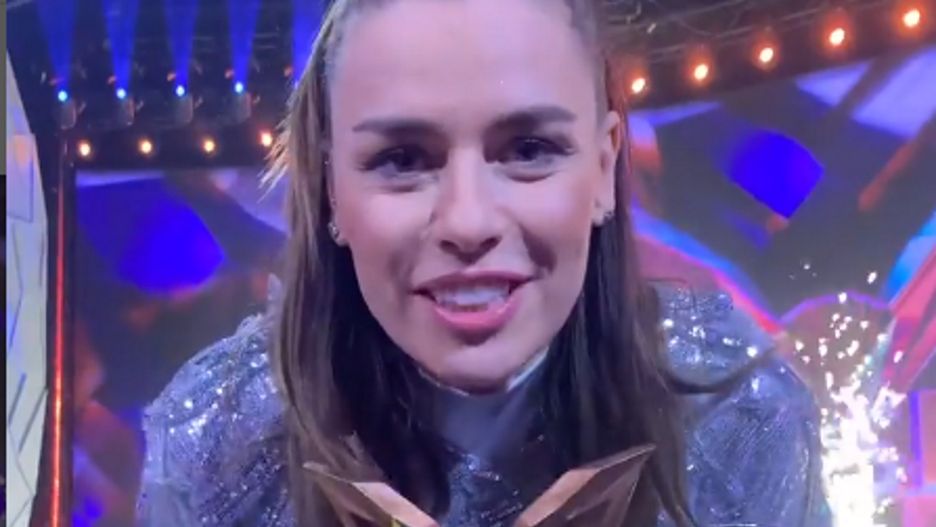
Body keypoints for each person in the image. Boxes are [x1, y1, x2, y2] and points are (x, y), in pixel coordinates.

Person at [136, 0, 830, 525]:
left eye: (528, 149)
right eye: (402, 159)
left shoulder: (735, 423)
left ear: (602, 168)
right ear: (330, 192)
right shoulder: (218, 442)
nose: (468, 221)